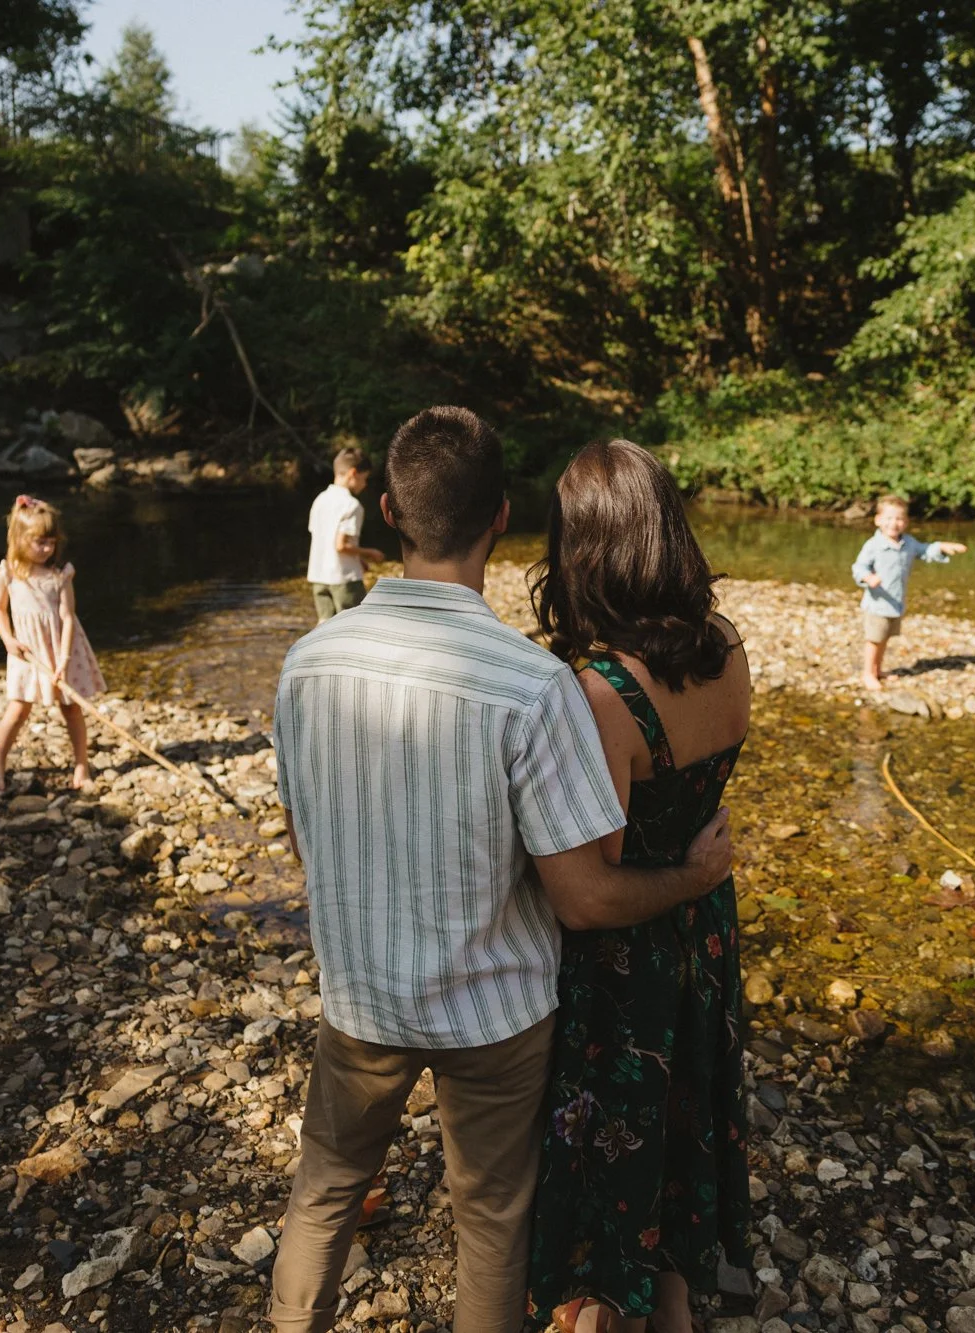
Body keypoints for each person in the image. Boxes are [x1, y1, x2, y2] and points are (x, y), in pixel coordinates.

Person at [269, 407, 734, 1333]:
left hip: (361, 995)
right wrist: (691, 876)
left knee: (324, 1194)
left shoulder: (307, 663)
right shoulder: (533, 685)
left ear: (391, 512)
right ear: (502, 518)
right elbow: (588, 894)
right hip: (495, 1013)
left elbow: (302, 836)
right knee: (488, 1223)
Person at [525, 439, 752, 1333]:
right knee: (686, 1123)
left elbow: (592, 889)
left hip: (629, 962)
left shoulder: (600, 694)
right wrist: (699, 875)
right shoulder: (728, 648)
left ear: (582, 551)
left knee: (603, 1182)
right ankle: (675, 1309)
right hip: (706, 934)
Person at [0, 494, 104, 793]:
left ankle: (81, 764)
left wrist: (63, 660)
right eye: (39, 542)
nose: (46, 548)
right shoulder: (9, 571)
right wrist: (8, 640)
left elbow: (67, 616)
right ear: (19, 538)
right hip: (26, 653)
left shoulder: (60, 573)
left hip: (62, 650)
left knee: (72, 708)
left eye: (50, 542)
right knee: (19, 708)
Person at [850, 494, 968, 692]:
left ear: (906, 522)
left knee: (884, 639)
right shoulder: (874, 545)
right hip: (877, 604)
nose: (893, 524)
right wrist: (868, 578)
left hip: (895, 602)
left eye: (899, 519)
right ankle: (867, 674)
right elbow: (859, 567)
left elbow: (925, 550)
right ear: (877, 520)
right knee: (874, 640)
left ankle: (878, 670)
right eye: (888, 518)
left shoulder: (908, 543)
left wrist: (942, 547)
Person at [307, 446, 387, 621]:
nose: (365, 484)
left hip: (319, 576)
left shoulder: (320, 500)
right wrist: (369, 553)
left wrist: (357, 559)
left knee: (324, 630)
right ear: (353, 473)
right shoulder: (351, 505)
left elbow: (324, 540)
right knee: (353, 628)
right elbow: (341, 545)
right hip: (344, 578)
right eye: (364, 479)